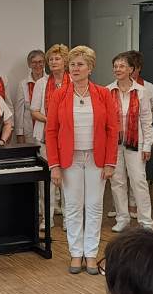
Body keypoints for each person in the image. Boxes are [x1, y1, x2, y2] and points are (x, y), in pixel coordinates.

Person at [46, 46, 118, 274]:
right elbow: (51, 131)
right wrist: (54, 166)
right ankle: (76, 254)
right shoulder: (59, 95)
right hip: (70, 159)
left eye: (80, 64)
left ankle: (91, 254)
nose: (75, 69)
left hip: (96, 159)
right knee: (73, 207)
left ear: (90, 68)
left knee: (95, 207)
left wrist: (110, 162)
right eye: (72, 64)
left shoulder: (103, 94)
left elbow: (112, 130)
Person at [107, 52, 153, 231]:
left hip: (137, 144)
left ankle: (146, 221)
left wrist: (147, 145)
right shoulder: (107, 91)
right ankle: (122, 218)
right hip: (114, 144)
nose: (117, 69)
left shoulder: (142, 91)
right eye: (115, 66)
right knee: (117, 181)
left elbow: (147, 122)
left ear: (131, 69)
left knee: (139, 181)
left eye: (122, 66)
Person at [32, 43, 70, 217]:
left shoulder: (73, 81)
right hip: (45, 136)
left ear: (65, 61)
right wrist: (53, 121)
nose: (53, 62)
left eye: (57, 58)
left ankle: (68, 218)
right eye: (51, 59)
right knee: (47, 178)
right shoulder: (41, 83)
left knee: (68, 178)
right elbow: (34, 111)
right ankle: (47, 218)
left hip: (68, 136)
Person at [125, 50, 153, 147]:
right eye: (127, 67)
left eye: (132, 67)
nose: (129, 71)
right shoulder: (115, 87)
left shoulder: (149, 87)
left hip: (144, 133)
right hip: (122, 132)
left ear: (139, 68)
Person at [15, 49, 46, 144]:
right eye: (34, 62)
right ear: (29, 64)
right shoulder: (23, 84)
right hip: (29, 131)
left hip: (47, 128)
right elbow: (19, 111)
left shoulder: (51, 82)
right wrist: (19, 134)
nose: (37, 65)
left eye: (40, 62)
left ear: (44, 63)